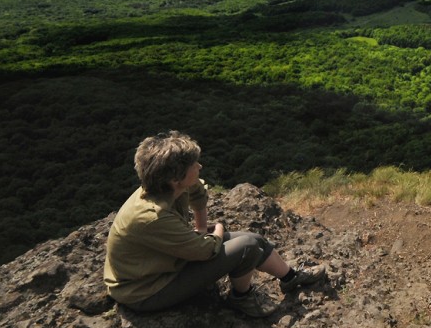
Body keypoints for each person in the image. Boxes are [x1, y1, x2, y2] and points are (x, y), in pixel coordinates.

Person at [104, 131, 325, 317]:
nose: (200, 166)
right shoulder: (152, 216)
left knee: (255, 239)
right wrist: (217, 229)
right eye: (194, 164)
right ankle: (241, 298)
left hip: (163, 263)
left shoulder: (167, 186)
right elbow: (207, 251)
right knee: (247, 246)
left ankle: (290, 278)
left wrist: (201, 229)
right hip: (145, 291)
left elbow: (197, 192)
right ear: (175, 178)